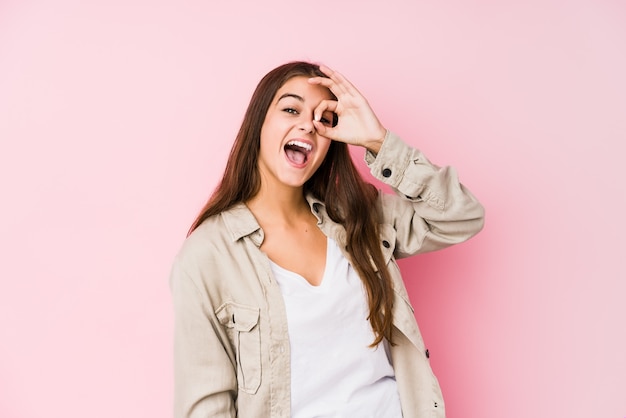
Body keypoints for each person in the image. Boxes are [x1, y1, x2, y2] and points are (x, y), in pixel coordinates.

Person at [170, 61, 484, 418]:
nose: (307, 125)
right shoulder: (208, 255)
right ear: (258, 124)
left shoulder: (358, 216)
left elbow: (462, 217)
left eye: (325, 120)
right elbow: (204, 406)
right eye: (291, 109)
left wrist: (378, 140)